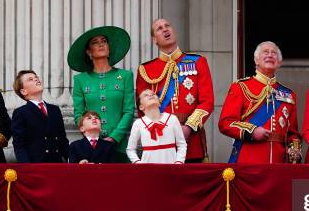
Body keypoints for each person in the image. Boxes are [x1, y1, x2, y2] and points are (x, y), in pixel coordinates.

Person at [136, 18, 214, 163]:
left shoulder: (198, 62)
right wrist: (162, 129)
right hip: (160, 140)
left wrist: (189, 127)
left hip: (192, 140)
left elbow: (207, 102)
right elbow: (143, 108)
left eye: (167, 26)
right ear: (154, 40)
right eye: (159, 28)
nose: (165, 29)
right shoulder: (145, 70)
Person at [218, 41, 301, 163]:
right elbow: (225, 123)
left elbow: (293, 133)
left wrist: (295, 150)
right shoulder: (240, 87)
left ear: (279, 63)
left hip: (279, 163)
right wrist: (252, 131)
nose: (270, 55)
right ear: (256, 60)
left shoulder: (289, 94)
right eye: (265, 52)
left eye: (274, 53)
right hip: (249, 159)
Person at [69, 26, 135, 163]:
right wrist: (93, 138)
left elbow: (128, 111)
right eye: (95, 42)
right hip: (92, 148)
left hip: (119, 146)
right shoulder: (80, 80)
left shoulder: (125, 76)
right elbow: (79, 114)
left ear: (109, 48)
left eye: (104, 41)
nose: (100, 44)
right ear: (89, 52)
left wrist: (114, 137)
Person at [11, 70, 69, 163]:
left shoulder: (55, 110)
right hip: (35, 167)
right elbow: (19, 145)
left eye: (36, 77)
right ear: (23, 91)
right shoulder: (21, 112)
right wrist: (27, 168)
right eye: (30, 79)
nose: (36, 80)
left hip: (57, 166)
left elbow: (62, 141)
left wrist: (73, 160)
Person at [126, 89, 187, 164]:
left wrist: (179, 162)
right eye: (146, 95)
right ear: (141, 107)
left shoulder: (172, 119)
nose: (151, 95)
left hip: (171, 168)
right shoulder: (138, 123)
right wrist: (139, 163)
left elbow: (181, 144)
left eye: (153, 94)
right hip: (148, 170)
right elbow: (130, 149)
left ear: (159, 103)